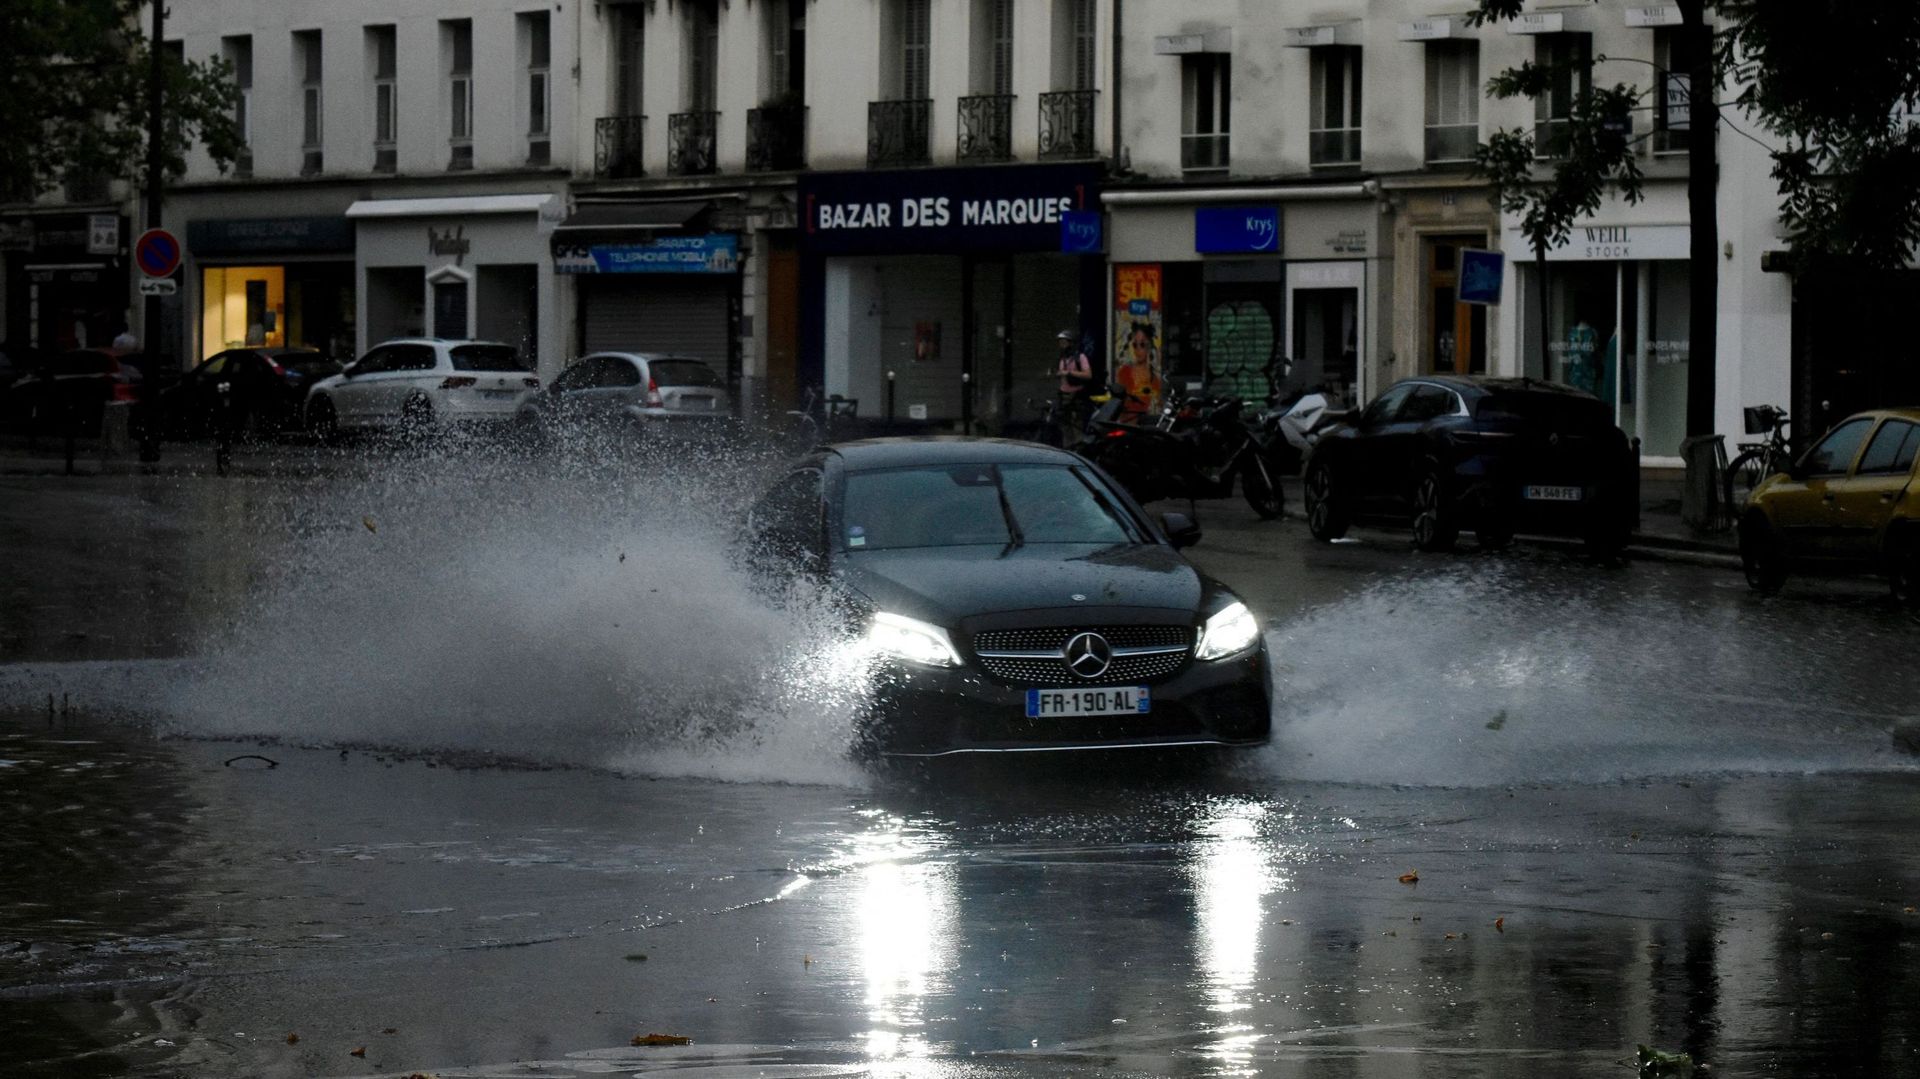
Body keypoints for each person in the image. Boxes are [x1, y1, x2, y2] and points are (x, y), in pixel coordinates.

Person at [1116, 322, 1164, 423]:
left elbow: (1159, 404)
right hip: (1127, 423)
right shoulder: (1124, 372)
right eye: (1135, 345)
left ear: (1149, 346)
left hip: (1144, 424)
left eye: (1142, 344)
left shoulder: (1154, 379)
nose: (1138, 349)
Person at [1053, 329, 1093, 435]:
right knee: (1064, 425)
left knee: (1077, 425)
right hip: (1063, 395)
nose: (1062, 345)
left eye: (1064, 342)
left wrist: (1069, 373)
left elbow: (1088, 375)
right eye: (1060, 343)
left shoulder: (1080, 357)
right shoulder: (1061, 359)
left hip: (1076, 395)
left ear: (1071, 343)